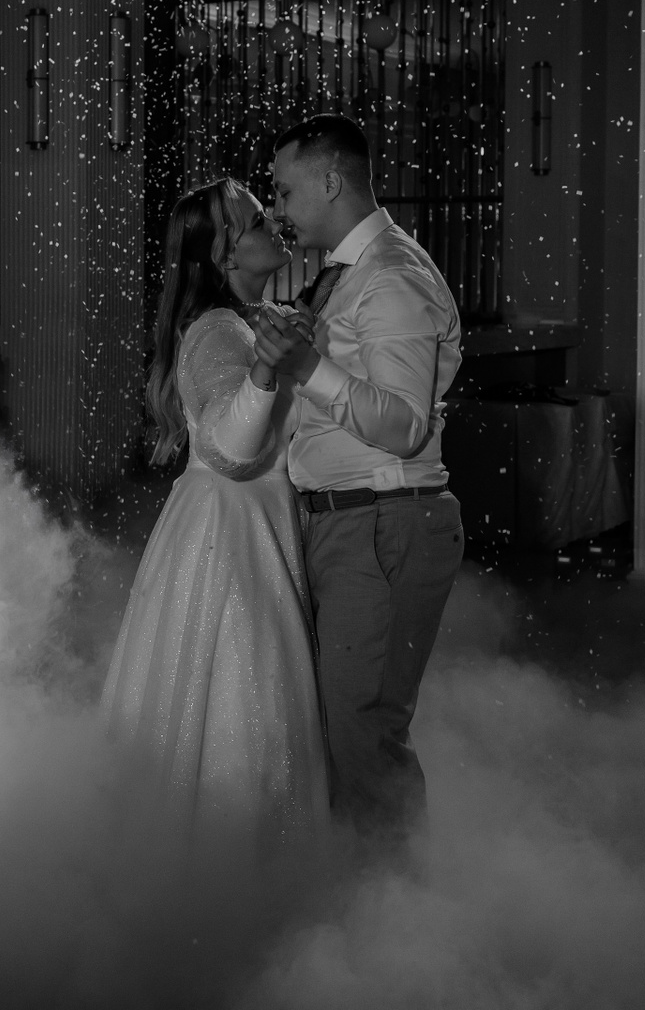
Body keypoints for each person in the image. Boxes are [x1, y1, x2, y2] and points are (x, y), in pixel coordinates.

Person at [252, 114, 464, 838]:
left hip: (382, 523)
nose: (278, 208)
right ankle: (358, 889)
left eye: (284, 191)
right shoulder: (353, 275)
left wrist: (307, 365)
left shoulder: (393, 277)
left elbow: (403, 426)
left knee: (363, 734)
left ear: (330, 181)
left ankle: (391, 902)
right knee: (343, 732)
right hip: (352, 521)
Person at [100, 177, 327, 847]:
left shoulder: (248, 321)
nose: (274, 223)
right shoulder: (216, 331)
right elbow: (231, 449)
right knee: (247, 706)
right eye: (255, 221)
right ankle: (235, 873)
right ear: (224, 253)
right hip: (231, 541)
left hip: (241, 524)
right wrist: (265, 371)